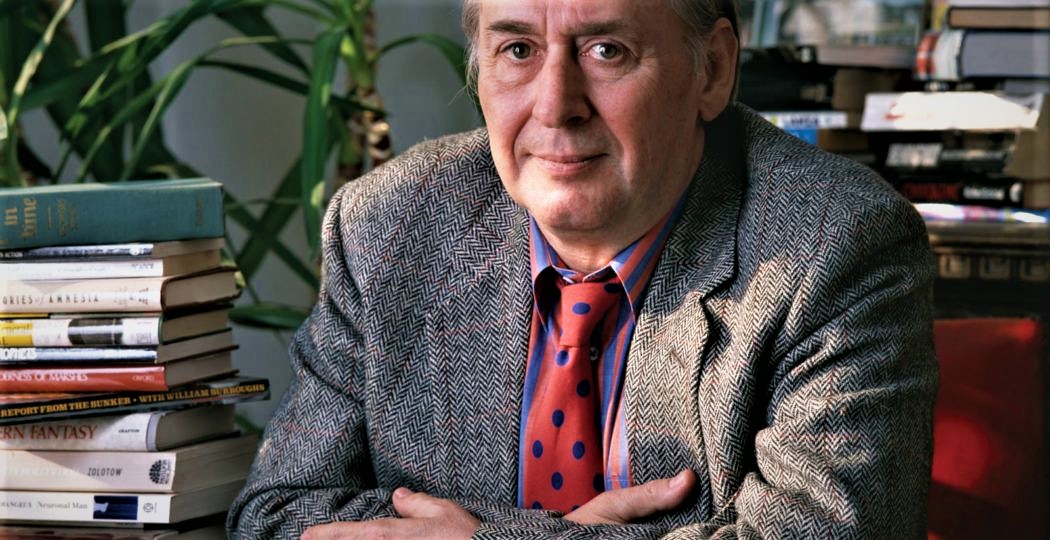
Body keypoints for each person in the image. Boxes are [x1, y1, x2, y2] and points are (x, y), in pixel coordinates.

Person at [227, 0, 938, 537]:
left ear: (713, 70)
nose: (555, 106)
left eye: (606, 50)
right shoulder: (389, 224)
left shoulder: (833, 245)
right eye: (517, 49)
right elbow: (275, 514)